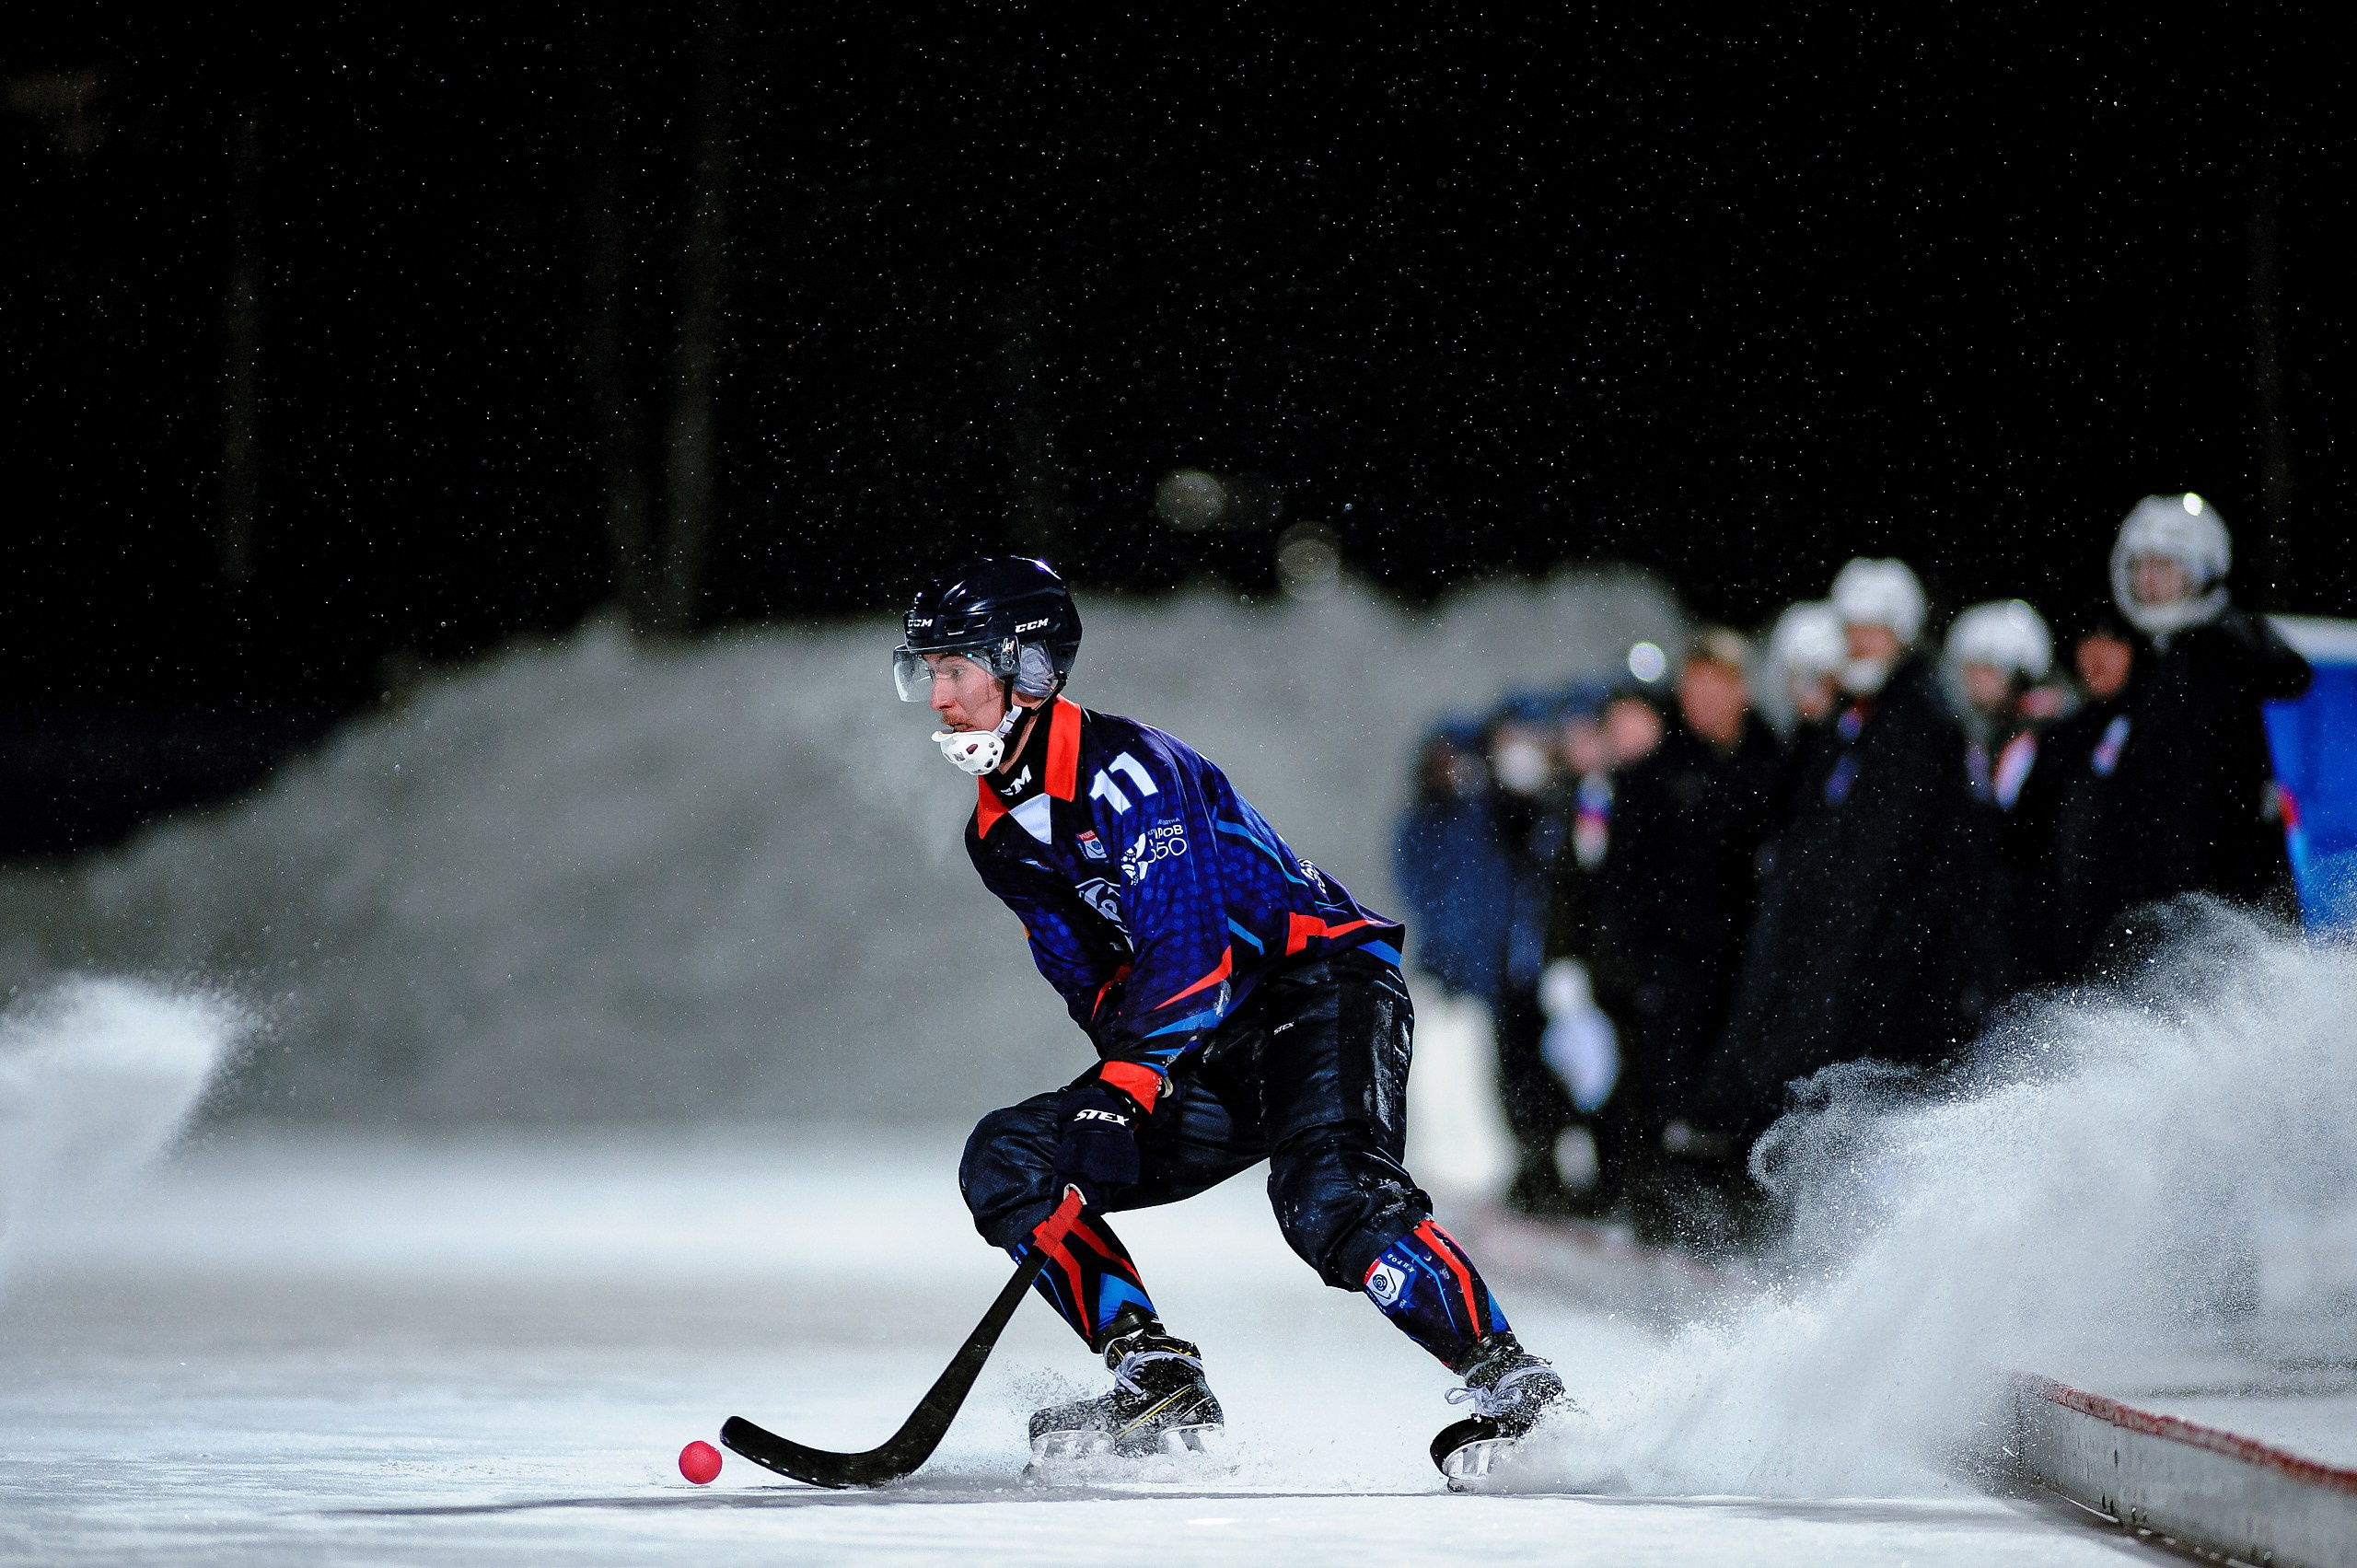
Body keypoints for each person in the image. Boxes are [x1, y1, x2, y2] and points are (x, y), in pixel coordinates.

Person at [906, 558, 1567, 1481]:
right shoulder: (999, 831)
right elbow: (1090, 980)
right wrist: (1115, 1094)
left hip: (1320, 990)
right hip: (1206, 1040)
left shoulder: (1130, 769)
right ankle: (1155, 1378)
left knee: (1328, 1198)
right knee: (1009, 1158)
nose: (936, 695)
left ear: (1026, 666)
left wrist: (1130, 1081)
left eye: (953, 668)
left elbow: (1189, 945)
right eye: (924, 671)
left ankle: (1519, 1392)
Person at [1689, 559, 1996, 1170]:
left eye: (1875, 629)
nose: (1860, 642)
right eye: (1852, 628)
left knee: (1873, 1117)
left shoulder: (1918, 722)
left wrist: (1870, 956)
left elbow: (1896, 863)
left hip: (1892, 962)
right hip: (1850, 954)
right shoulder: (1861, 721)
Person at [2049, 496, 2311, 973]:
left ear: (2203, 570)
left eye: (2166, 566)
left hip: (2213, 922)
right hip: (2177, 917)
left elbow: (2201, 812)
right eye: (2141, 567)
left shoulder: (2216, 655)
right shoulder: (2160, 665)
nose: (2149, 582)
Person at [1598, 631, 1783, 1240]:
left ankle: (1745, 1219)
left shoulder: (1777, 764)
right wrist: (1634, 963)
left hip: (1756, 970)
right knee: (1672, 1101)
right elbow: (1624, 879)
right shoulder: (1653, 774)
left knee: (1748, 1100)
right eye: (1695, 685)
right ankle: (1677, 1223)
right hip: (1676, 970)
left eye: (1719, 683)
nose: (1706, 698)